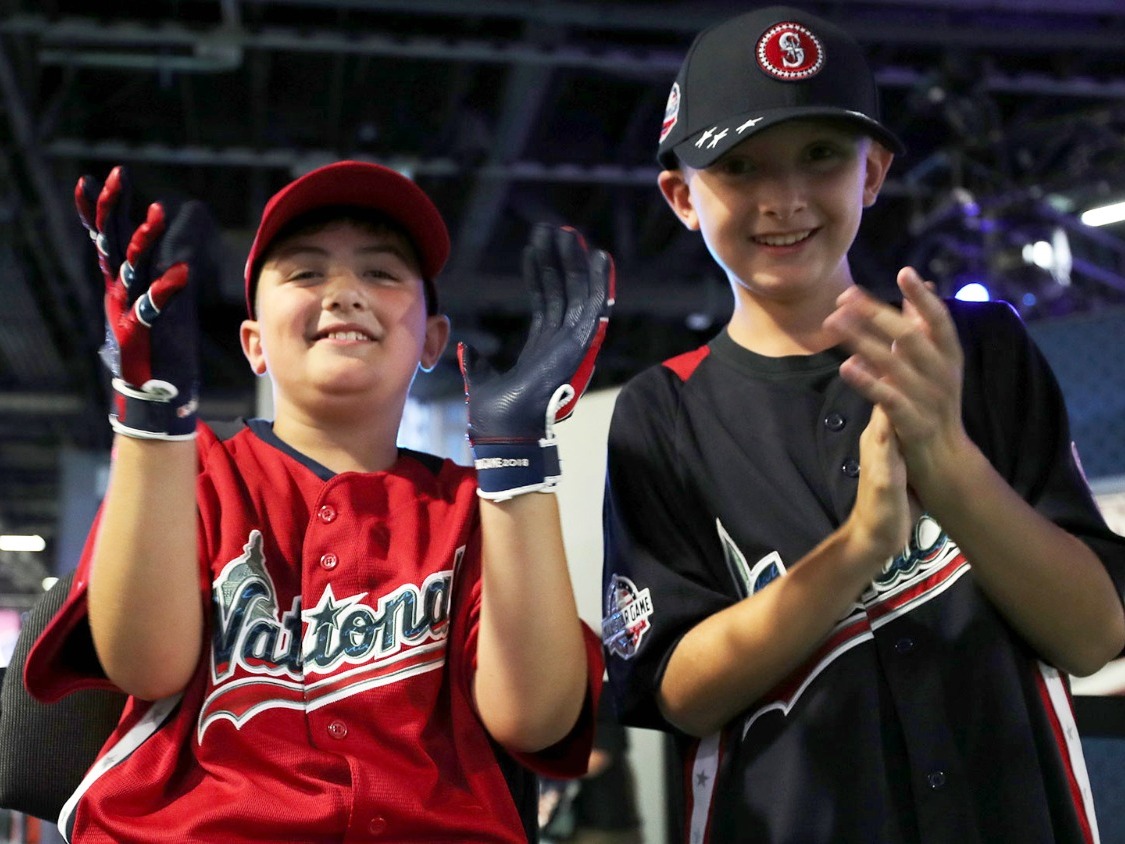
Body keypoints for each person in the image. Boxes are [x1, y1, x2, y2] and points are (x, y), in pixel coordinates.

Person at [600, 6, 1125, 843]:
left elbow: (1093, 633)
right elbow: (677, 690)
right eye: (740, 166)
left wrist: (947, 464)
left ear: (871, 171)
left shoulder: (973, 350)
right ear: (680, 196)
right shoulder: (663, 411)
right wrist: (856, 549)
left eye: (819, 155)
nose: (785, 198)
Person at [24, 159, 613, 842]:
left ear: (433, 338)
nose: (343, 293)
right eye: (305, 273)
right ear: (253, 344)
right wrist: (153, 417)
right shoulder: (195, 477)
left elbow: (534, 717)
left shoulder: (473, 511)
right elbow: (144, 664)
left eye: (383, 274)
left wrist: (517, 461)